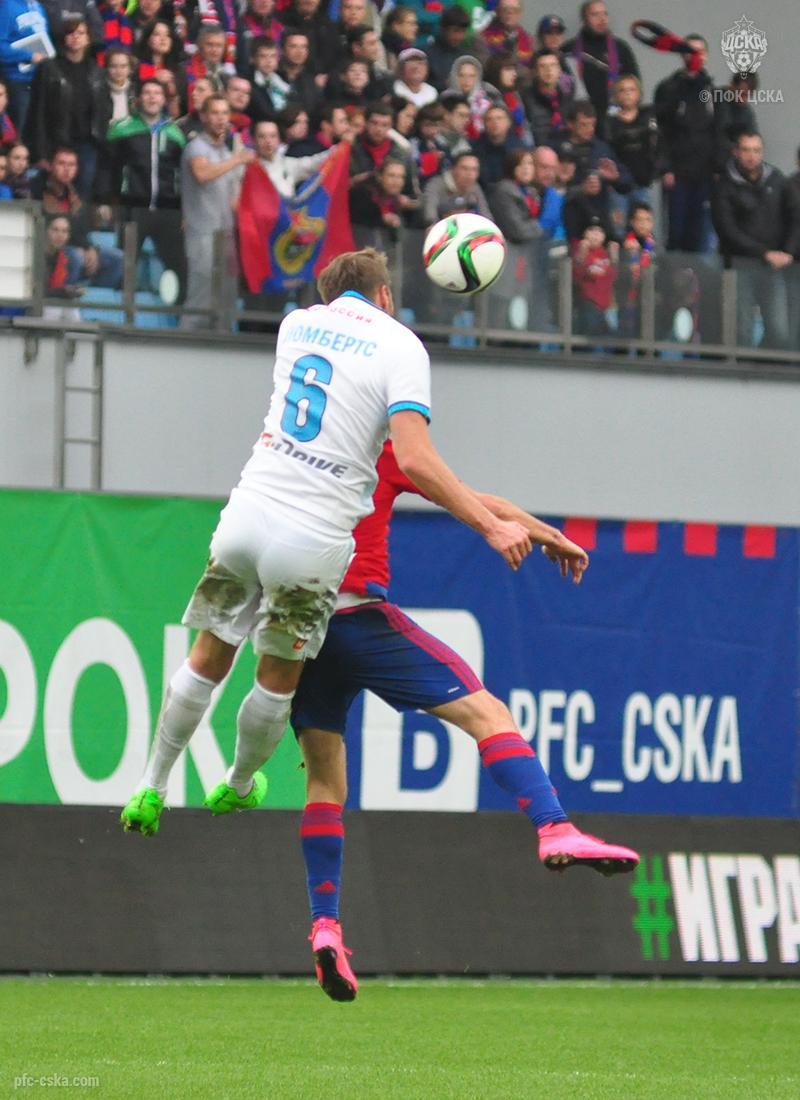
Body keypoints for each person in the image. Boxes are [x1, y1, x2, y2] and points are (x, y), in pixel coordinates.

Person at [120, 247, 534, 861]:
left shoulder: (296, 325)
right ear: (385, 296)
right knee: (276, 678)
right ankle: (238, 784)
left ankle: (150, 786)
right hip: (310, 538)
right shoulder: (401, 346)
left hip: (248, 512)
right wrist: (494, 528)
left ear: (328, 293)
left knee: (206, 658)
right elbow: (413, 457)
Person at [291, 439, 639, 1000]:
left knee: (324, 780)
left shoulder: (289, 450)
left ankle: (325, 924)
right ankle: (554, 827)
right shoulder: (379, 450)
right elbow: (474, 501)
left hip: (299, 628)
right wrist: (548, 535)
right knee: (487, 712)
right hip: (359, 617)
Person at [99, 79, 187, 296]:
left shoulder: (175, 133)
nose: (152, 97)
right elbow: (107, 168)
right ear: (138, 98)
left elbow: (182, 176)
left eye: (157, 93)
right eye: (147, 92)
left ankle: (178, 309)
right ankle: (122, 310)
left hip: (168, 210)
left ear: (164, 100)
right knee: (126, 264)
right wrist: (106, 200)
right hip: (132, 208)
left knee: (179, 266)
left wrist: (184, 210)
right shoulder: (121, 129)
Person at [712, 130, 792, 351]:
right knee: (742, 329)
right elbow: (727, 230)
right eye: (746, 150)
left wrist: (787, 251)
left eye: (756, 150)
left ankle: (764, 364)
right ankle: (743, 367)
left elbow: (793, 216)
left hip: (772, 268)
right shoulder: (724, 185)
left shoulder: (777, 179)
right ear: (736, 152)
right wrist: (764, 253)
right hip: (740, 266)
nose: (751, 156)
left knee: (779, 329)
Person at [179, 92, 254, 328]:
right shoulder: (197, 147)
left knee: (227, 295)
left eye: (224, 113)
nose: (221, 118)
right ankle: (185, 340)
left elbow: (232, 198)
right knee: (201, 292)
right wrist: (237, 160)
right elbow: (202, 174)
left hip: (226, 233)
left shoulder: (225, 152)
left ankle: (223, 340)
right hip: (202, 232)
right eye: (215, 113)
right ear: (203, 116)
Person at [24, 15, 107, 197]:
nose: (76, 37)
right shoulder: (48, 68)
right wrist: (40, 152)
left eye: (81, 33)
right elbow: (38, 111)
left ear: (88, 38)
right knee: (51, 195)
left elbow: (103, 110)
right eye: (71, 33)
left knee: (82, 197)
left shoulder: (97, 71)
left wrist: (100, 141)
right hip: (55, 141)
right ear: (63, 37)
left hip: (87, 143)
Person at [653, 34, 716, 253]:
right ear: (682, 55)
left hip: (704, 173)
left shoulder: (712, 91)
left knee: (699, 234)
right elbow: (660, 130)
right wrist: (665, 167)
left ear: (706, 56)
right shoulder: (668, 88)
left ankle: (696, 275)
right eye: (690, 51)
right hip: (677, 173)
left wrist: (717, 168)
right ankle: (673, 274)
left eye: (700, 51)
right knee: (676, 232)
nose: (695, 56)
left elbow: (717, 131)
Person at [31, 144, 123, 287]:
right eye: (61, 163)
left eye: (71, 165)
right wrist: (84, 248)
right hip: (47, 249)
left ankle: (94, 298)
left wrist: (89, 248)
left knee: (118, 258)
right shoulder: (38, 189)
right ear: (50, 166)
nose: (67, 169)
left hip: (77, 246)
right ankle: (62, 295)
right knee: (74, 256)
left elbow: (80, 229)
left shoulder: (76, 194)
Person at [563, 0, 639, 135]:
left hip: (617, 122)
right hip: (580, 122)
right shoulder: (569, 50)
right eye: (595, 14)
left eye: (605, 14)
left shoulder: (621, 48)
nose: (602, 19)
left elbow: (635, 85)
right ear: (583, 19)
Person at [604, 75, 659, 230]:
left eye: (631, 90)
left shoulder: (648, 118)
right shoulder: (610, 122)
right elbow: (608, 154)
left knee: (644, 230)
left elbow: (657, 147)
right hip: (618, 187)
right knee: (619, 229)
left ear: (639, 93)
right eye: (622, 90)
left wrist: (655, 171)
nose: (627, 93)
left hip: (643, 183)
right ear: (615, 95)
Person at [0, 0, 51, 134]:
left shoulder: (38, 6)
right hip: (17, 81)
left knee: (39, 129)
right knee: (19, 131)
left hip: (40, 79)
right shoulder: (6, 6)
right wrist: (29, 56)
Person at [572, 215, 617, 336]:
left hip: (607, 309)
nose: (596, 234)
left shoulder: (606, 254)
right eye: (591, 230)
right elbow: (575, 276)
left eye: (600, 231)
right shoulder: (579, 250)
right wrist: (582, 253)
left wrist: (615, 259)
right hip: (587, 306)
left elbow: (615, 279)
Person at [523, 47, 574, 149]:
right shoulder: (526, 99)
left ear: (559, 70)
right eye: (543, 66)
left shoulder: (568, 96)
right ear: (535, 71)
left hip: (568, 149)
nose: (548, 70)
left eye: (553, 65)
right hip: (540, 150)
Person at [422, 149, 490, 224]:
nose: (470, 174)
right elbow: (429, 216)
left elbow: (487, 217)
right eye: (464, 168)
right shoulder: (435, 184)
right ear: (453, 169)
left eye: (474, 169)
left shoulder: (475, 187)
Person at [470, 102, 522, 191]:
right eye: (489, 119)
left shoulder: (520, 149)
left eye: (499, 118)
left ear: (509, 122)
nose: (495, 122)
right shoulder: (474, 148)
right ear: (484, 124)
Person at [480, 0, 534, 68]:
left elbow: (533, 69)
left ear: (520, 13)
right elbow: (485, 67)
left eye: (515, 10)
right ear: (497, 12)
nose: (510, 13)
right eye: (505, 9)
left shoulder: (531, 41)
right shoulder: (482, 38)